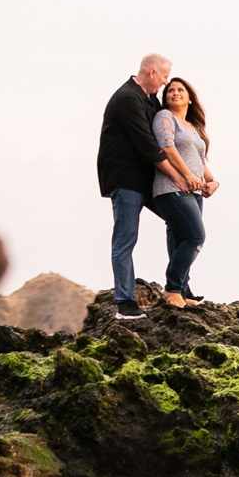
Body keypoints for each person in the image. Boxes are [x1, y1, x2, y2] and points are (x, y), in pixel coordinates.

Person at [95, 53, 171, 318]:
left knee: (181, 220)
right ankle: (124, 303)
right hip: (125, 178)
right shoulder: (127, 98)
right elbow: (148, 145)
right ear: (151, 72)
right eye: (164, 77)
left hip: (147, 179)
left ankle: (176, 289)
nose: (165, 82)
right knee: (125, 238)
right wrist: (180, 177)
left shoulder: (150, 100)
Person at [148, 75, 218, 307]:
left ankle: (184, 291)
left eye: (180, 90)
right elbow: (167, 148)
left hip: (195, 192)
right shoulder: (165, 117)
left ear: (189, 99)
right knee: (195, 236)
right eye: (170, 91)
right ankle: (172, 289)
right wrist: (187, 175)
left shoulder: (193, 127)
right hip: (172, 187)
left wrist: (213, 182)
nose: (175, 93)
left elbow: (200, 161)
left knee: (180, 239)